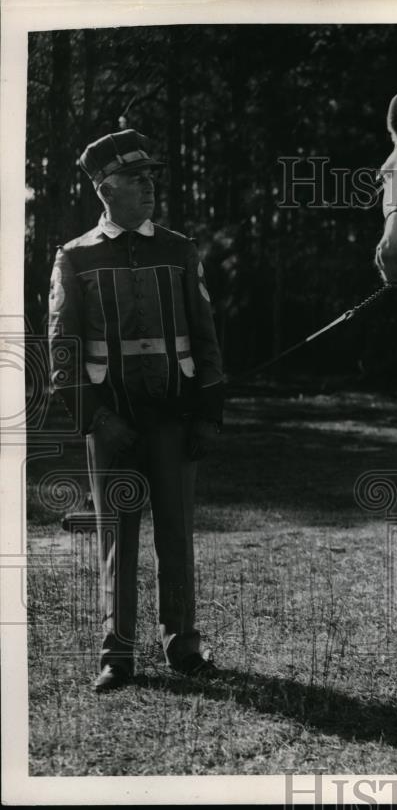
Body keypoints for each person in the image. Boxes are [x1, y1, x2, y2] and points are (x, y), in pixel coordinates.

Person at [47, 129, 225, 692]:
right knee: (117, 538)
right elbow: (63, 351)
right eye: (135, 178)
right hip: (113, 425)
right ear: (105, 189)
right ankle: (116, 656)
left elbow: (206, 336)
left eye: (152, 177)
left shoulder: (178, 249)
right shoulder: (76, 258)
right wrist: (98, 419)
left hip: (174, 420)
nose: (149, 186)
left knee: (176, 533)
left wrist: (206, 413)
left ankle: (183, 646)